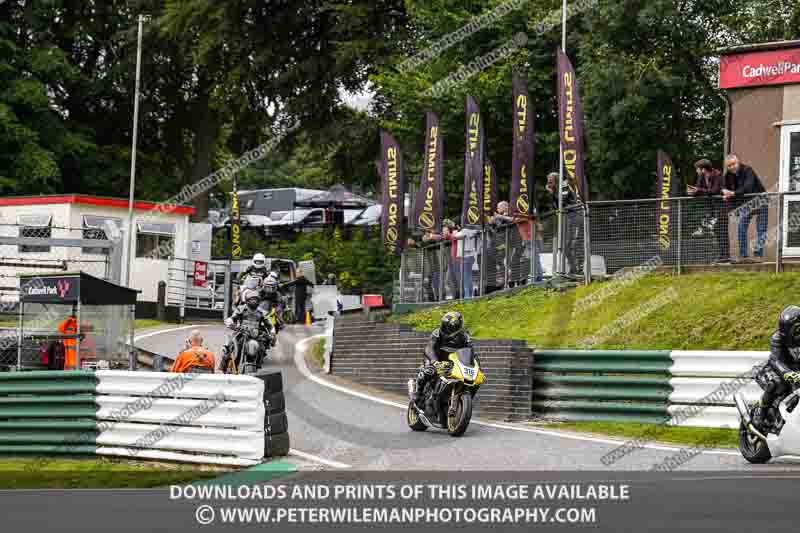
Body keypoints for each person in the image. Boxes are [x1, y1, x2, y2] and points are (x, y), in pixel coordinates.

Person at [752, 306, 800, 433]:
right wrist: (789, 374)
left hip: (796, 370)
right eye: (783, 326)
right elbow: (776, 360)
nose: (784, 331)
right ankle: (760, 413)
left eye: (787, 327)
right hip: (776, 369)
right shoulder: (777, 338)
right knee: (775, 383)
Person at [411, 311, 473, 409]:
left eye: (450, 327)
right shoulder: (437, 333)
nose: (446, 329)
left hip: (454, 362)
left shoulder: (465, 337)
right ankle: (418, 394)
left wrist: (473, 365)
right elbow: (430, 347)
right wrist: (434, 361)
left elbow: (470, 352)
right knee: (429, 371)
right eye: (445, 326)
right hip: (435, 358)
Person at [722, 154, 767, 263]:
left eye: (733, 164)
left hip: (760, 200)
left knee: (761, 229)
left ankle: (758, 255)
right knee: (741, 228)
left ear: (738, 162)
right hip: (746, 204)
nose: (732, 167)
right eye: (729, 166)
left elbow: (748, 187)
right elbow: (724, 187)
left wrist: (733, 193)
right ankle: (743, 255)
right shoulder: (728, 175)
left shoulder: (748, 170)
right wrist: (725, 193)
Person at [221, 288, 276, 372]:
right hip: (241, 333)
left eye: (255, 299)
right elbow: (232, 318)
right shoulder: (241, 309)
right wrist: (231, 323)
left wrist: (272, 334)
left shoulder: (261, 312)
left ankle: (258, 363)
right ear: (247, 300)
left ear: (259, 301)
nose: (254, 301)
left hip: (256, 335)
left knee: (262, 348)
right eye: (251, 299)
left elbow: (270, 325)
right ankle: (223, 366)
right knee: (229, 346)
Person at [689, 159, 730, 264]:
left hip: (721, 208)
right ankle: (722, 256)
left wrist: (699, 191)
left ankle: (726, 256)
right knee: (717, 231)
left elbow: (715, 191)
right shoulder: (701, 177)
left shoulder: (718, 175)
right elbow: (699, 189)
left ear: (703, 169)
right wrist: (693, 192)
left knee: (722, 231)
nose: (696, 171)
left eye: (697, 169)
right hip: (711, 208)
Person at [546, 172, 580, 275]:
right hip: (565, 217)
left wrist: (552, 193)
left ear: (556, 180)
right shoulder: (556, 190)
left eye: (550, 181)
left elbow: (563, 201)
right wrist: (552, 193)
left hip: (573, 216)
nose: (548, 183)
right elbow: (556, 205)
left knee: (570, 243)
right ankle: (574, 268)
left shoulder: (564, 185)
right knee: (565, 245)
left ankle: (576, 268)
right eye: (548, 181)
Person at [57, 304, 82, 370]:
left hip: (75, 349)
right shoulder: (66, 324)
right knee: (68, 363)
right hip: (67, 348)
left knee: (74, 363)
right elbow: (60, 328)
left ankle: (73, 370)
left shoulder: (77, 324)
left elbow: (81, 332)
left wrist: (74, 321)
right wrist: (68, 320)